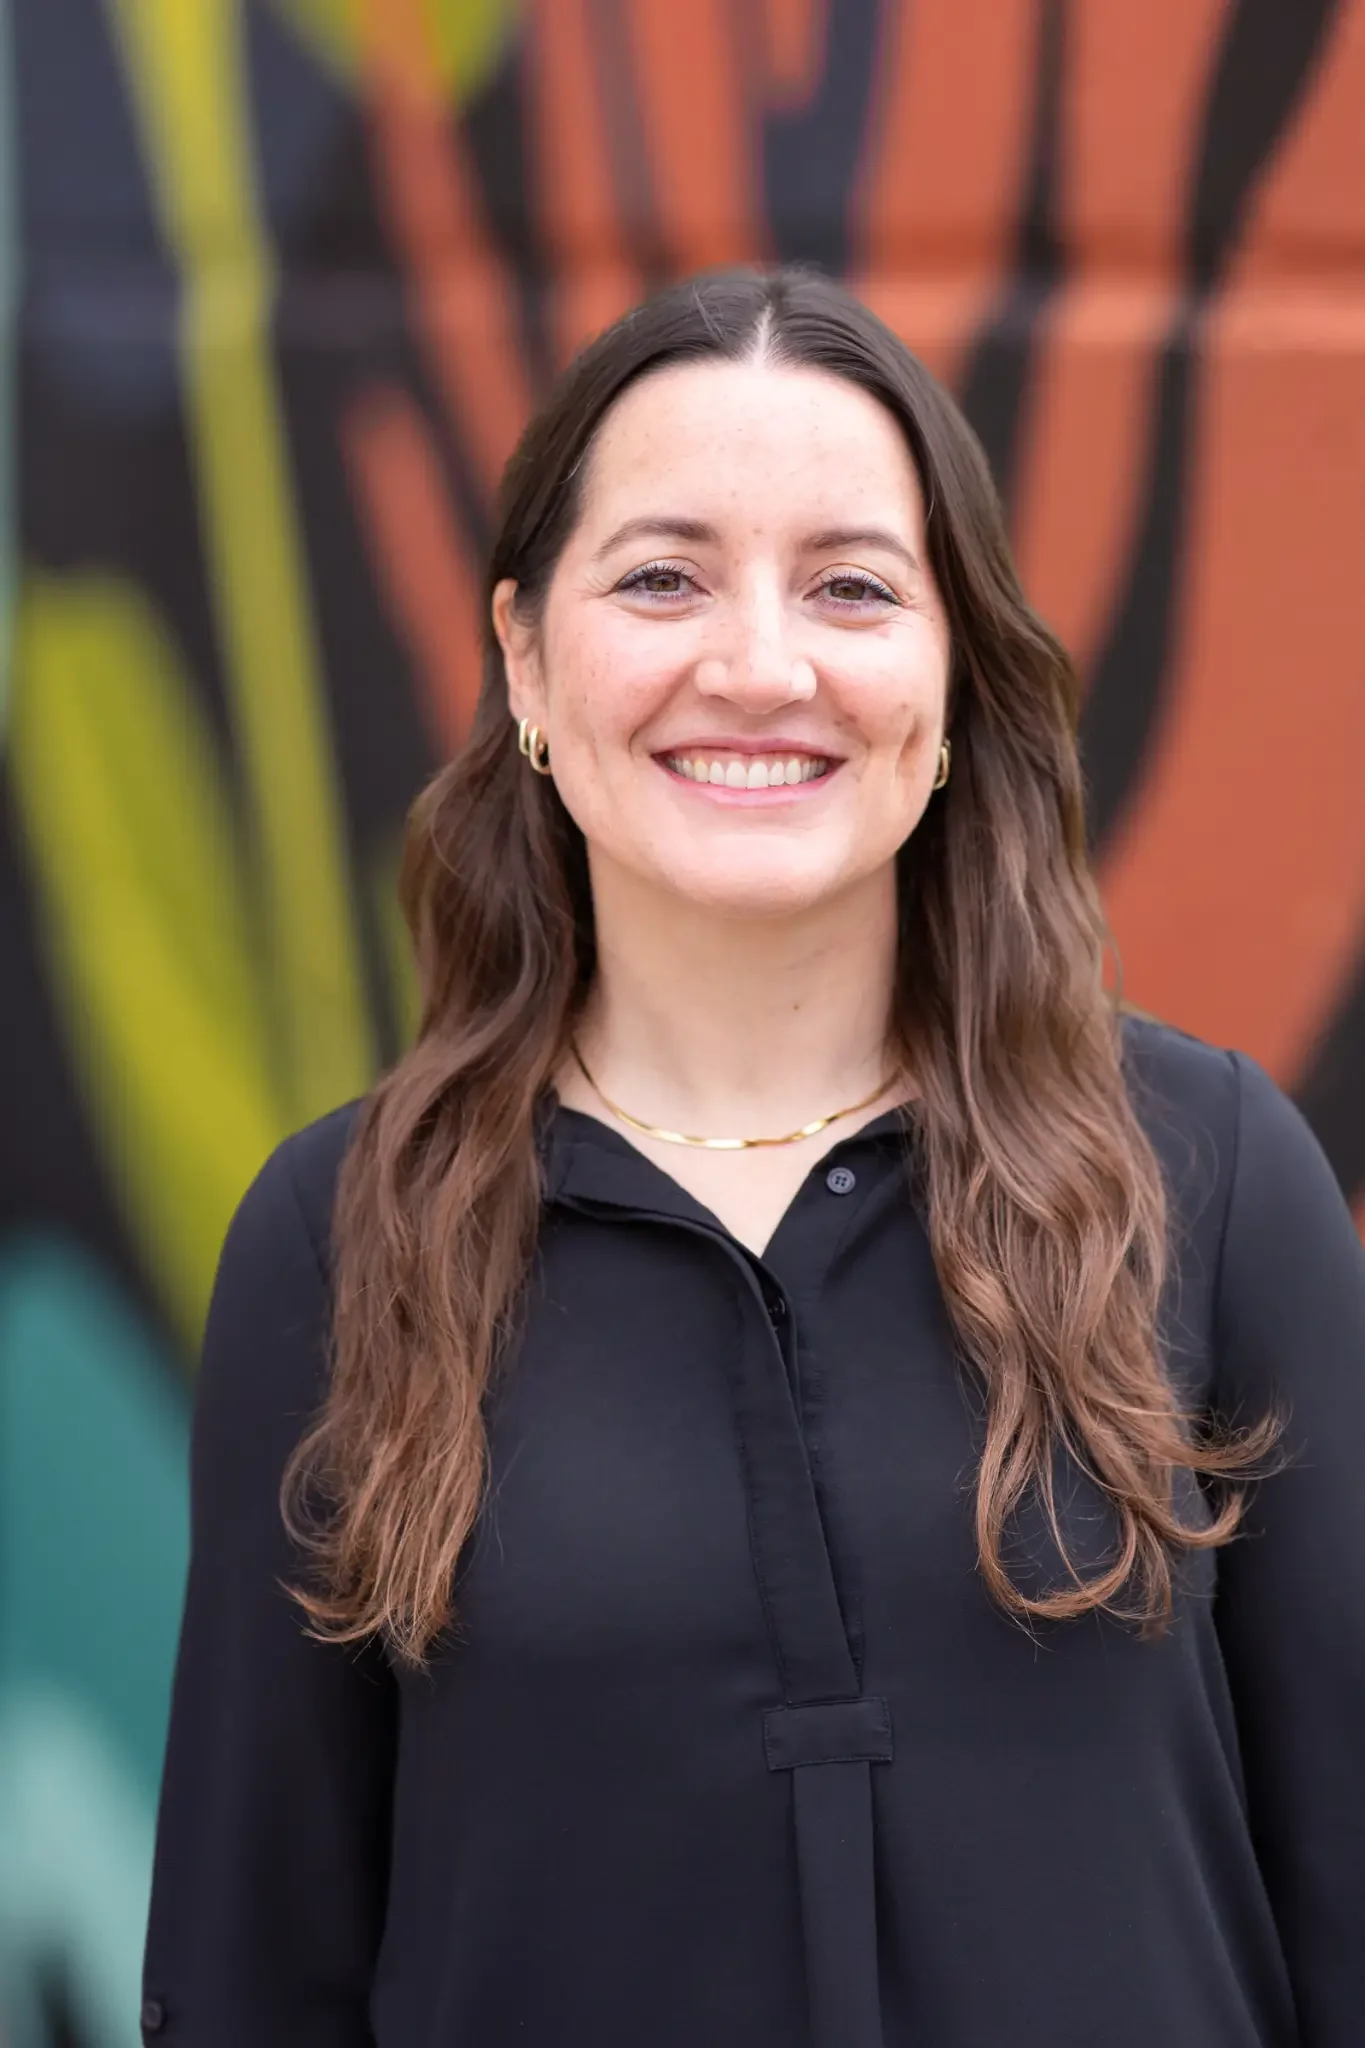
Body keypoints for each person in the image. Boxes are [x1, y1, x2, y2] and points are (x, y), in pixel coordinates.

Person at [139, 267, 1365, 2048]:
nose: (762, 665)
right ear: (527, 657)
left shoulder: (1212, 1179)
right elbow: (260, 1969)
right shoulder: (342, 1243)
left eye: (854, 587)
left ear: (949, 681)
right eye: (663, 577)